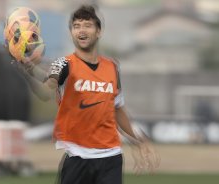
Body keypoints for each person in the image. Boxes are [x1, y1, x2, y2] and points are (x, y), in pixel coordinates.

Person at [14, 4, 160, 184]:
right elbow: (46, 92)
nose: (81, 30)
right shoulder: (63, 63)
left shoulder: (112, 67)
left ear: (98, 31)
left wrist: (138, 139)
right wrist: (26, 72)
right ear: (71, 33)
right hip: (77, 158)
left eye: (87, 25)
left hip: (111, 157)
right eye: (76, 26)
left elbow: (117, 108)